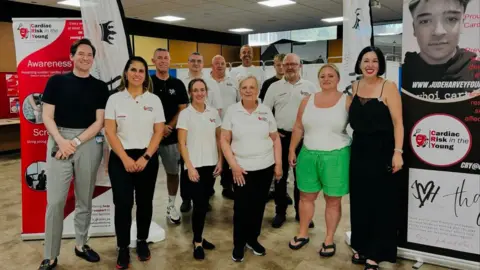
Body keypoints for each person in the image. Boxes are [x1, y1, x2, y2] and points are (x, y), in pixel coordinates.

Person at [39, 38, 109, 270]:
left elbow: (99, 122)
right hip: (59, 140)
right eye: (81, 53)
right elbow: (47, 116)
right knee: (56, 201)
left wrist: (76, 142)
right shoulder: (57, 82)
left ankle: (81, 244)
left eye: (89, 54)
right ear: (72, 57)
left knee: (84, 198)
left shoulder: (100, 87)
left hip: (88, 142)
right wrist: (61, 141)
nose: (85, 58)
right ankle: (50, 255)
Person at [105, 56, 165, 269]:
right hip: (121, 158)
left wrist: (146, 157)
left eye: (141, 70)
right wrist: (125, 159)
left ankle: (141, 241)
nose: (137, 74)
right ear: (126, 73)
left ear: (145, 75)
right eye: (133, 69)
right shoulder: (114, 99)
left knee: (145, 202)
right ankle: (122, 247)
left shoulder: (154, 101)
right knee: (122, 204)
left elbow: (159, 132)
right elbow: (110, 131)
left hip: (146, 158)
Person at [287, 64, 352, 258]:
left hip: (336, 156)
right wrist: (292, 149)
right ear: (318, 79)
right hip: (308, 154)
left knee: (333, 200)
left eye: (330, 75)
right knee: (306, 197)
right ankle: (303, 233)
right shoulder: (307, 101)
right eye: (322, 76)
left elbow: (360, 126)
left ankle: (329, 238)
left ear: (338, 79)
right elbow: (298, 126)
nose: (326, 79)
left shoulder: (347, 101)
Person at [349, 46, 404, 270]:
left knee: (381, 204)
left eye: (374, 61)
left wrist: (398, 152)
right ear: (360, 64)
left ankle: (376, 252)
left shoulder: (388, 87)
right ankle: (361, 246)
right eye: (366, 61)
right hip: (359, 151)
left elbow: (398, 123)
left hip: (382, 152)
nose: (370, 65)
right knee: (361, 202)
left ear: (380, 64)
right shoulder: (354, 86)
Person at [221, 75, 282, 263]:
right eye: (244, 87)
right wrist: (234, 166)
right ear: (240, 91)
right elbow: (224, 140)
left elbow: (275, 138)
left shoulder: (265, 111)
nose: (248, 90)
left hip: (265, 167)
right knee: (241, 208)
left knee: (258, 206)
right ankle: (238, 243)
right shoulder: (232, 111)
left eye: (252, 87)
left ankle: (252, 239)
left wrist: (278, 164)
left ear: (257, 90)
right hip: (242, 169)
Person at [263, 53, 318, 229]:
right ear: (281, 66)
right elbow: (265, 112)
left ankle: (301, 212)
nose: (290, 67)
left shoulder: (310, 87)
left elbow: (317, 111)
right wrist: (272, 132)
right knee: (280, 176)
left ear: (300, 66)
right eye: (286, 64)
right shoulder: (273, 87)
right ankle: (280, 212)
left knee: (301, 178)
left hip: (303, 139)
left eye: (293, 64)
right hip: (281, 139)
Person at [177, 78, 223, 260]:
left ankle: (200, 237)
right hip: (194, 166)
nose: (199, 93)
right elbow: (182, 142)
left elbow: (219, 138)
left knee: (203, 203)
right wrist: (189, 167)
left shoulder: (213, 112)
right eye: (195, 90)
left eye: (202, 90)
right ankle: (197, 242)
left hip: (210, 165)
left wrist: (220, 161)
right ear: (190, 93)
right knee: (199, 205)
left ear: (206, 92)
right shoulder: (185, 114)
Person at [402, 0, 480, 100]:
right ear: (414, 28)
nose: (438, 32)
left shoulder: (476, 73)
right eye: (425, 21)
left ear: (462, 24)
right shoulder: (403, 76)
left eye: (451, 19)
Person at [180, 52, 224, 212]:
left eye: (199, 61)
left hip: (208, 127)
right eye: (193, 61)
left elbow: (218, 109)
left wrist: (210, 125)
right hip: (188, 130)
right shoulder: (181, 82)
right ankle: (186, 199)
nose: (196, 64)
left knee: (208, 171)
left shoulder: (212, 83)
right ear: (188, 63)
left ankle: (204, 197)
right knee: (186, 170)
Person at [151, 48, 189, 224]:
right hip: (149, 138)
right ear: (154, 60)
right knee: (146, 175)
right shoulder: (147, 83)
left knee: (173, 173)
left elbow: (183, 108)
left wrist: (169, 126)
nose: (163, 61)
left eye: (166, 58)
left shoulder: (178, 84)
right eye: (159, 58)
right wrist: (158, 128)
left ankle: (171, 205)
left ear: (170, 60)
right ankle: (146, 208)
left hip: (171, 139)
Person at [210, 55, 239, 200]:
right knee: (211, 157)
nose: (220, 66)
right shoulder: (206, 82)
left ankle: (227, 186)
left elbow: (240, 102)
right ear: (212, 66)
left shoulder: (233, 82)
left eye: (222, 63)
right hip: (210, 127)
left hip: (230, 127)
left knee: (228, 157)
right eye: (217, 63)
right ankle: (208, 188)